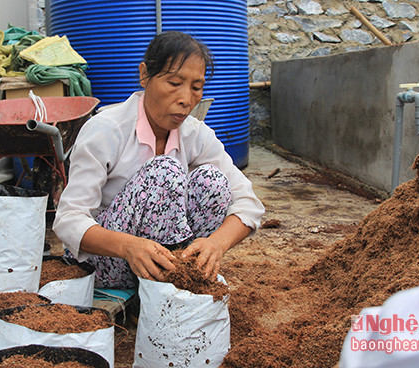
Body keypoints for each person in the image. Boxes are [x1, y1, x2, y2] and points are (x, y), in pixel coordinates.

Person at [53, 31, 265, 289]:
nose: (186, 99)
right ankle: (149, 293)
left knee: (213, 182)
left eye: (196, 88)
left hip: (166, 265)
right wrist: (128, 246)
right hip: (106, 264)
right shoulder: (106, 130)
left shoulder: (195, 134)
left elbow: (249, 203)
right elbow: (68, 219)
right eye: (175, 83)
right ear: (145, 75)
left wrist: (217, 243)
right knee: (165, 171)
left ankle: (176, 285)